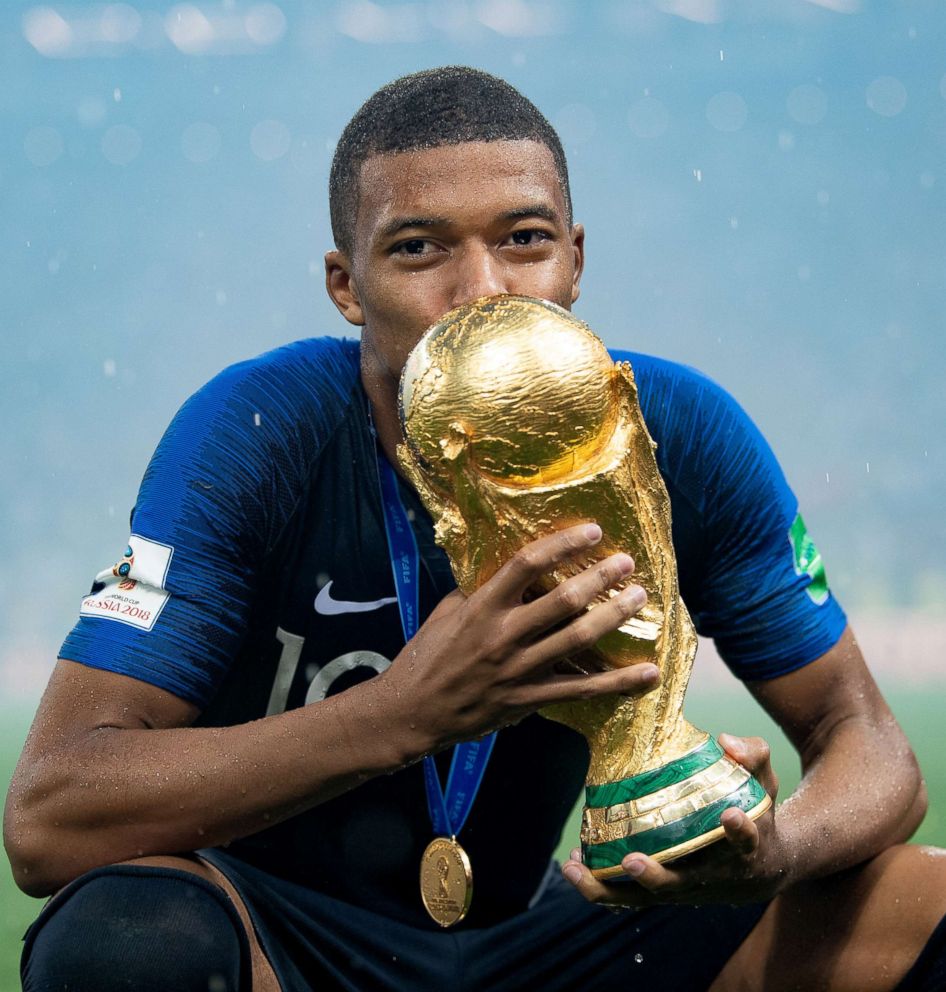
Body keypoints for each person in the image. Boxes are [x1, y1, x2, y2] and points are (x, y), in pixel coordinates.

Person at [5, 67, 946, 992]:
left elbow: (875, 754)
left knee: (922, 901)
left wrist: (780, 849)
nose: (482, 289)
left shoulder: (680, 435)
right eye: (418, 249)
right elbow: (50, 816)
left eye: (525, 240)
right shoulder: (257, 434)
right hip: (283, 945)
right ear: (346, 285)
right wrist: (398, 718)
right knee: (121, 939)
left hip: (558, 935)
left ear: (575, 261)